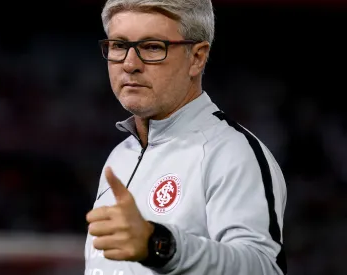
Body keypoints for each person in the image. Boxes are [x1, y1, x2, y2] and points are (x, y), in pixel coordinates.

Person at [84, 0, 287, 274]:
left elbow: (264, 267)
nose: (130, 64)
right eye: (119, 45)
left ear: (197, 58)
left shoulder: (232, 153)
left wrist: (158, 244)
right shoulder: (121, 155)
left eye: (153, 47)